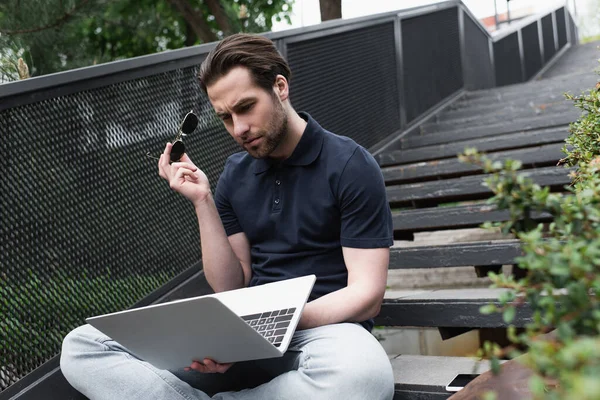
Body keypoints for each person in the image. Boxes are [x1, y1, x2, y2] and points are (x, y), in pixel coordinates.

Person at [60, 33, 395, 400]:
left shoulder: (350, 165)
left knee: (364, 379)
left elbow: (367, 294)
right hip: (242, 333)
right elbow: (232, 286)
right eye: (225, 117)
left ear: (280, 87)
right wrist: (202, 200)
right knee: (83, 346)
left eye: (246, 107)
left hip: (322, 329)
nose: (238, 129)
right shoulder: (235, 175)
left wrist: (278, 322)